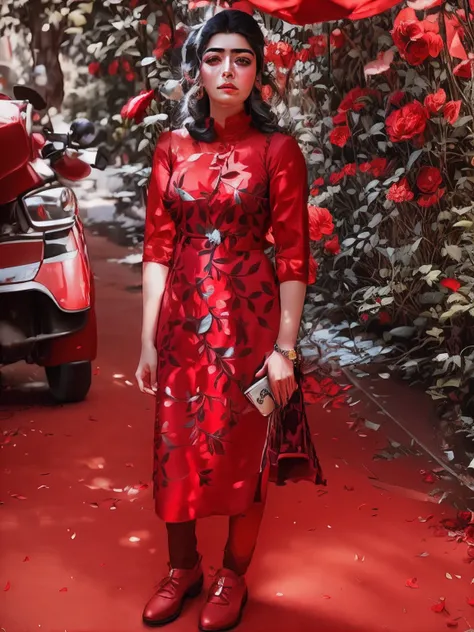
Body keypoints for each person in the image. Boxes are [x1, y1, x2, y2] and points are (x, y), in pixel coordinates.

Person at [135, 8, 323, 631]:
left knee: (248, 449)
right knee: (175, 447)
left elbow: (294, 256)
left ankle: (232, 575)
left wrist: (285, 350)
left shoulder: (277, 150)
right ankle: (181, 567)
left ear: (257, 72)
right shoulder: (170, 147)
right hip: (182, 322)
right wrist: (148, 339)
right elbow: (158, 250)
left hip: (254, 324)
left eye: (242, 59)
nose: (227, 70)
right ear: (197, 69)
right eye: (215, 57)